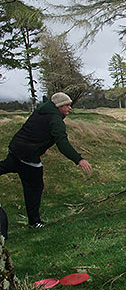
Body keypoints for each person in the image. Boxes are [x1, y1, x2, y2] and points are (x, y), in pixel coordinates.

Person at [0, 92, 92, 233]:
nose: (69, 108)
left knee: (6, 166)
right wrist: (79, 159)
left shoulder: (41, 111)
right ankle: (34, 222)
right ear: (59, 106)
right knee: (35, 187)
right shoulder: (55, 120)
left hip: (16, 149)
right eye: (67, 105)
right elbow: (62, 143)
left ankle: (34, 221)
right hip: (28, 158)